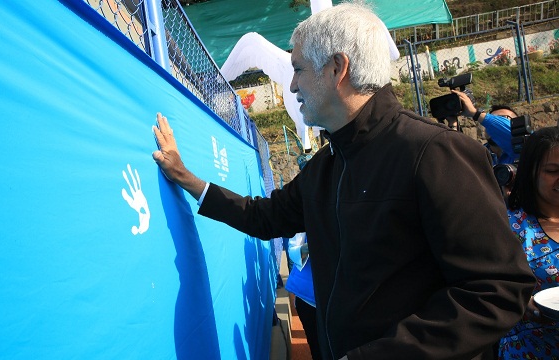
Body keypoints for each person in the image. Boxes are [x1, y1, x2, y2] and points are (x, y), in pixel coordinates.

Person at [151, 2, 535, 359]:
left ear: (337, 68)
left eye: (298, 68)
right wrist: (186, 178)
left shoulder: (434, 153)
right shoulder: (329, 164)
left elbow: (496, 291)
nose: (293, 85)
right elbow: (265, 217)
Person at [498, 126, 559, 359]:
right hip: (530, 350)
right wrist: (522, 305)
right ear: (530, 172)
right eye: (553, 170)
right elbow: (482, 287)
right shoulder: (506, 226)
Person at [453, 89, 519, 165]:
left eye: (502, 119)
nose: (492, 126)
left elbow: (514, 135)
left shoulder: (526, 149)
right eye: (492, 118)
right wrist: (453, 125)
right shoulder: (478, 154)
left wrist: (476, 113)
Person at [284, 232, 320, 360]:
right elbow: (293, 250)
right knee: (318, 349)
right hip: (309, 299)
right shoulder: (308, 214)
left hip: (346, 298)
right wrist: (311, 246)